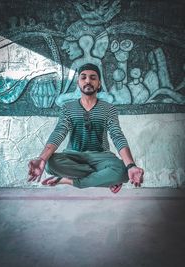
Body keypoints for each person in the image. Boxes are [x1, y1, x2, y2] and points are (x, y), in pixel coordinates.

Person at [28, 63, 144, 193]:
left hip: (101, 156)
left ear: (99, 84)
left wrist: (131, 166)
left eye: (93, 78)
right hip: (73, 156)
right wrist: (42, 159)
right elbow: (59, 132)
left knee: (123, 170)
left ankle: (70, 180)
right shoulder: (68, 107)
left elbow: (117, 136)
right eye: (83, 77)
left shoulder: (109, 108)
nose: (88, 80)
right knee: (50, 164)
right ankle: (105, 178)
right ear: (78, 83)